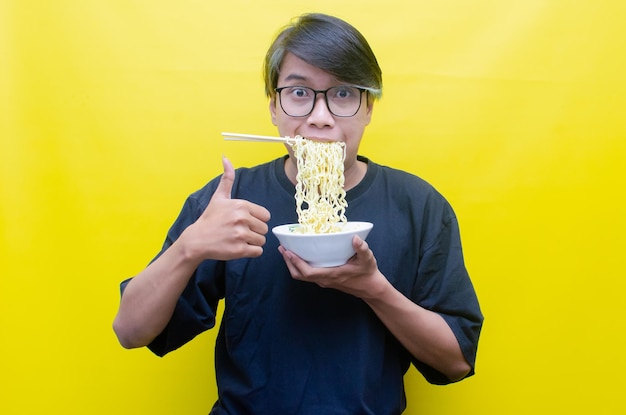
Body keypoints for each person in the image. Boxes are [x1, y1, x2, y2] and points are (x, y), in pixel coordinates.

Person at [113, 12, 483, 414]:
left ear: (368, 107)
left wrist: (372, 288)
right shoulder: (230, 201)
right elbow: (130, 331)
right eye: (299, 93)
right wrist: (189, 248)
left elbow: (455, 361)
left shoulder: (419, 206)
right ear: (274, 106)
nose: (320, 117)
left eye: (343, 93)